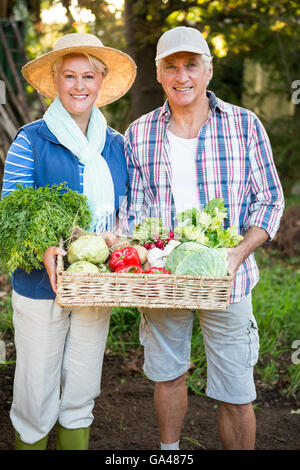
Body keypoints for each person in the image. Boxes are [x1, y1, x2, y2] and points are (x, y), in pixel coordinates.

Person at [119, 26, 284, 450]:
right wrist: (137, 254)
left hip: (230, 281)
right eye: (170, 66)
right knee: (167, 373)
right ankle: (170, 454)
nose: (182, 76)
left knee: (236, 389)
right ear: (158, 74)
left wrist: (237, 253)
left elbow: (269, 202)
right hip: (164, 281)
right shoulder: (140, 132)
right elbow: (135, 212)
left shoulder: (244, 125)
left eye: (191, 65)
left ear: (208, 71)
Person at [1, 32, 136, 450]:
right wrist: (44, 247)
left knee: (80, 389)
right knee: (35, 393)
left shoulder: (116, 145)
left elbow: (126, 211)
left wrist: (118, 238)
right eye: (70, 76)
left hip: (95, 283)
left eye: (89, 76)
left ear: (100, 82)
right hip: (40, 285)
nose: (80, 86)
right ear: (55, 81)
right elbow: (12, 209)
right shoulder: (32, 140)